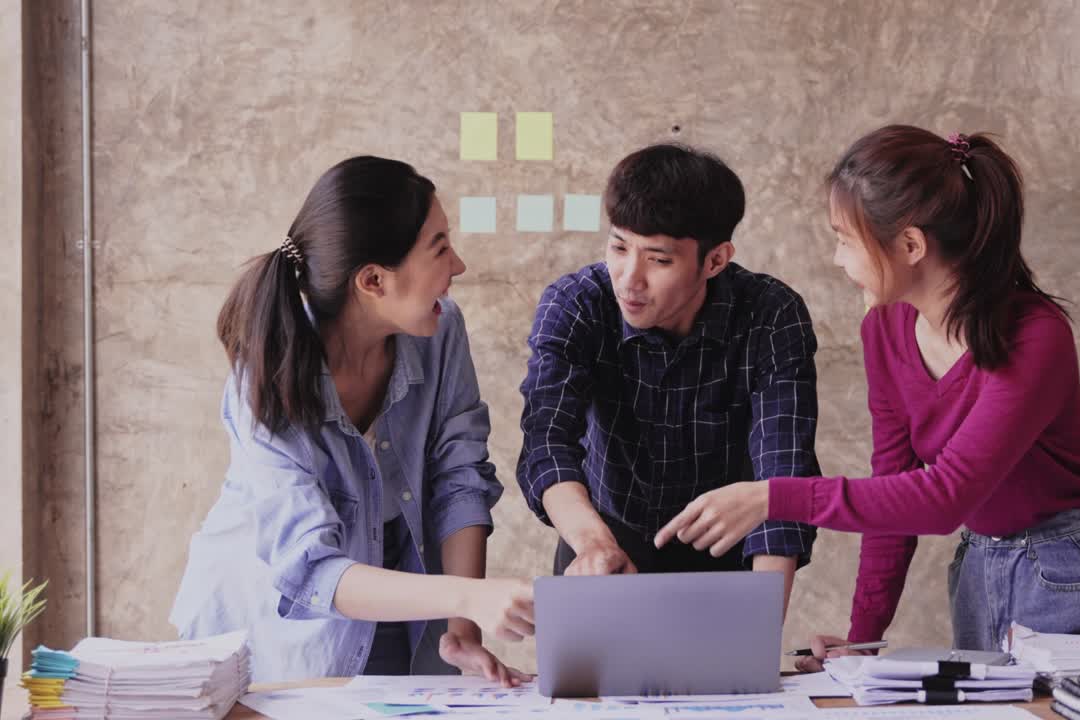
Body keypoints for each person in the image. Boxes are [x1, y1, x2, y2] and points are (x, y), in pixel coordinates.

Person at [656, 126, 1080, 667]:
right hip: (980, 569)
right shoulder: (884, 330)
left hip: (1076, 568)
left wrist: (772, 497)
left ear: (911, 246)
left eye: (845, 239)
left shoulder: (1035, 336)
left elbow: (944, 497)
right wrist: (862, 640)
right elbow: (894, 493)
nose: (837, 259)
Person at [171, 156, 533, 684]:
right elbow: (311, 569)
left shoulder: (441, 332)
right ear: (373, 280)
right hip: (273, 630)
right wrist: (469, 596)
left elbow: (459, 478)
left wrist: (462, 631)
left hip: (395, 591)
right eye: (439, 248)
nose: (458, 266)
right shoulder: (266, 380)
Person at [516, 144, 820, 609]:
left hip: (727, 550)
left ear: (715, 260)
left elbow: (783, 472)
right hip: (601, 538)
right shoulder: (576, 304)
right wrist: (592, 545)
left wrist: (760, 621)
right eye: (619, 247)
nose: (628, 279)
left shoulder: (771, 314)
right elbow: (547, 442)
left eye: (658, 260)